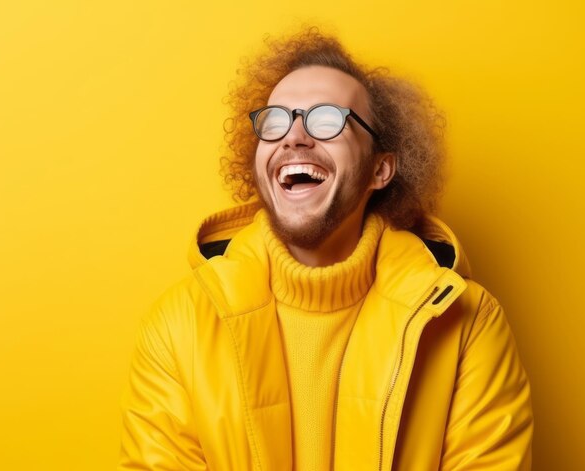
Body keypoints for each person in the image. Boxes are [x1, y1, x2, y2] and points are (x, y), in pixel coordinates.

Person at [118, 27, 533, 471]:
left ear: (380, 168)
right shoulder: (177, 328)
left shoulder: (467, 324)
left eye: (327, 118)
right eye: (277, 120)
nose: (294, 138)